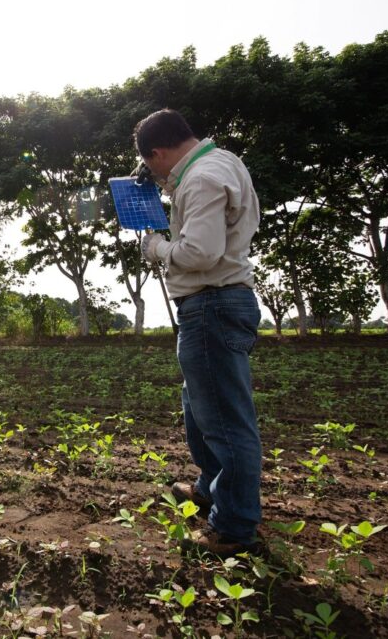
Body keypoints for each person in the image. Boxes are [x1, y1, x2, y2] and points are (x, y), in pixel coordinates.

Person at [135, 109, 263, 556]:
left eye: (151, 165)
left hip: (211, 301)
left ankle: (233, 528)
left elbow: (200, 252)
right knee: (201, 410)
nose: (154, 175)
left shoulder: (202, 178)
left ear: (158, 152)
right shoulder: (223, 161)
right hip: (213, 304)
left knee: (225, 421)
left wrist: (156, 248)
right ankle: (209, 490)